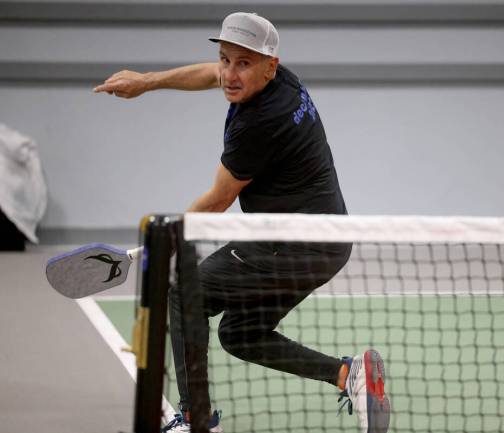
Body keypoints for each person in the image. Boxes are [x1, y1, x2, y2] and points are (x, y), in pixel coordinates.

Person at [94, 12, 390, 433]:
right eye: (225, 59)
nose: (230, 74)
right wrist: (147, 81)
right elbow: (209, 75)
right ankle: (348, 375)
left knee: (183, 296)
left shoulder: (259, 124)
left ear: (269, 65)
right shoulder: (278, 79)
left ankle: (196, 419)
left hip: (293, 245)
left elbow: (219, 199)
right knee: (240, 333)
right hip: (324, 242)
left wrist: (166, 239)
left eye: (243, 63)